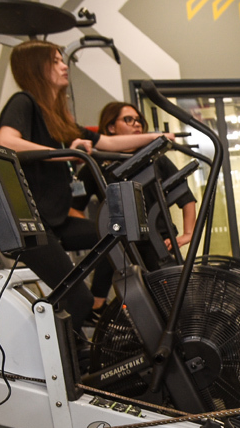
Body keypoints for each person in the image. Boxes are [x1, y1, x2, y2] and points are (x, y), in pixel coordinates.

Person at [0, 40, 171, 330]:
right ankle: (64, 359)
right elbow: (7, 142)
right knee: (76, 299)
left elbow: (109, 141)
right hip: (31, 226)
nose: (64, 66)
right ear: (36, 68)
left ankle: (99, 304)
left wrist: (160, 138)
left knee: (115, 234)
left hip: (57, 219)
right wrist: (65, 154)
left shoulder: (57, 119)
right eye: (55, 61)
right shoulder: (24, 102)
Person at [76, 101, 198, 313]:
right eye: (128, 120)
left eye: (139, 120)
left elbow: (185, 197)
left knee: (177, 303)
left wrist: (189, 233)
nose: (137, 124)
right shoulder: (94, 165)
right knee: (118, 303)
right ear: (111, 127)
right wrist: (97, 235)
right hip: (121, 244)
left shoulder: (156, 158)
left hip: (159, 241)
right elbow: (73, 207)